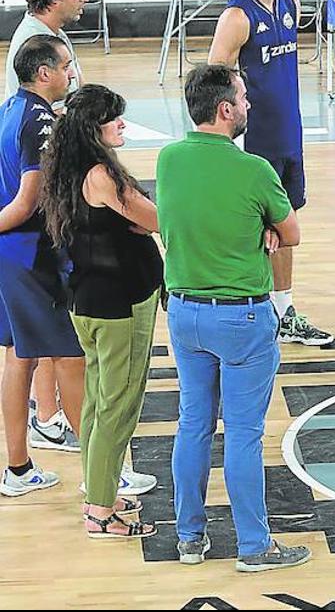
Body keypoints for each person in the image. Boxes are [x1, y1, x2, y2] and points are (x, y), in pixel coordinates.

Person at [157, 64, 311, 571]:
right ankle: (253, 546)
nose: (248, 105)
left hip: (184, 315)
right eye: (242, 98)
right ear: (225, 110)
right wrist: (264, 229)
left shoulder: (169, 160)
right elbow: (290, 233)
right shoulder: (255, 170)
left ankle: (188, 538)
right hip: (242, 320)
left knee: (193, 425)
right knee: (243, 433)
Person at [40, 84, 162, 538]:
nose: (122, 124)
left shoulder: (66, 168)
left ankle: (100, 489)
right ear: (94, 129)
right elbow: (157, 218)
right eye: (115, 118)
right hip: (119, 306)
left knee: (97, 402)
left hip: (88, 303)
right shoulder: (101, 175)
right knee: (118, 405)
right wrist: (143, 216)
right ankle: (99, 511)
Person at [208, 0, 333, 346]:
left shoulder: (290, 4)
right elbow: (213, 80)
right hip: (254, 136)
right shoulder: (237, 17)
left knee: (286, 220)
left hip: (289, 132)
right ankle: (249, 309)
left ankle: (283, 311)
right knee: (250, 226)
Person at [6, 0, 88, 454]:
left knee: (21, 345)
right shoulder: (31, 47)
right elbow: (25, 196)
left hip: (22, 240)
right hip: (30, 236)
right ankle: (59, 424)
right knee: (54, 341)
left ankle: (24, 454)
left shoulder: (46, 38)